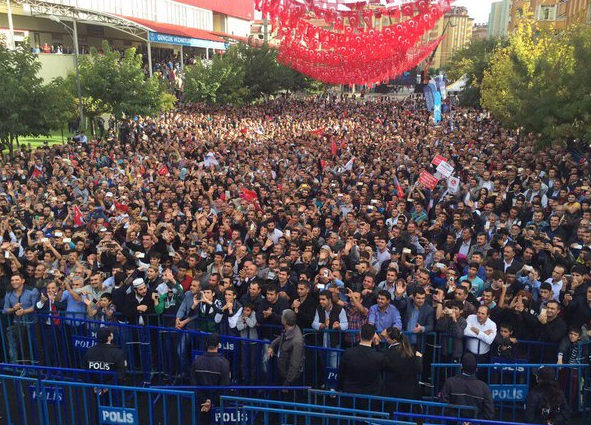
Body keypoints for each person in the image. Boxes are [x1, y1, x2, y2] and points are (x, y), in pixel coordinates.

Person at [439, 353, 495, 420]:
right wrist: (472, 422)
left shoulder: (450, 382)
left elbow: (443, 406)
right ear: (476, 369)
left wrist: (459, 420)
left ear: (461, 367)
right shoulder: (484, 387)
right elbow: (489, 413)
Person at [337, 323, 383, 395]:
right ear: (373, 336)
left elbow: (341, 374)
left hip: (350, 394)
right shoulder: (378, 357)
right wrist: (377, 345)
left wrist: (339, 388)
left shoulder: (348, 353)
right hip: (370, 396)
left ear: (360, 333)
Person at [190, 333, 230, 413]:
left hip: (201, 404)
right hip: (217, 405)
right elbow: (224, 386)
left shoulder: (197, 361)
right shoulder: (224, 363)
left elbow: (193, 383)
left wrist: (205, 400)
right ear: (219, 345)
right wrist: (211, 401)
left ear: (206, 344)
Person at [382, 327, 423, 400]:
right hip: (411, 392)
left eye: (387, 337)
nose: (385, 338)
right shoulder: (410, 350)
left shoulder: (390, 354)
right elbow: (418, 368)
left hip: (395, 392)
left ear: (394, 340)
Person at [268, 309, 304, 387]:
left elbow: (294, 365)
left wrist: (287, 383)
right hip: (282, 371)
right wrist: (272, 346)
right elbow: (281, 337)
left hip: (289, 380)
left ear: (285, 321)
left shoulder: (296, 341)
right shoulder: (290, 330)